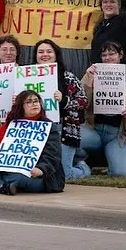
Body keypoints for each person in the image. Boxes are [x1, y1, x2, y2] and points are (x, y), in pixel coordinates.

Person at [0, 90, 65, 195]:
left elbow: (53, 154)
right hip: (8, 169)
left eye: (36, 101)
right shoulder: (11, 125)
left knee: (16, 177)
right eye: (29, 102)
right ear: (20, 106)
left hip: (36, 174)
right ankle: (2, 187)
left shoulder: (48, 126)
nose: (34, 104)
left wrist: (42, 168)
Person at [80, 41, 126, 177]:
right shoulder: (90, 75)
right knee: (69, 139)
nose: (107, 58)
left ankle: (111, 165)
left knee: (121, 173)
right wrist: (88, 82)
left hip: (118, 134)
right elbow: (80, 103)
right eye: (104, 55)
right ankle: (80, 164)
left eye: (112, 54)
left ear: (120, 55)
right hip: (93, 129)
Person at [33, 38, 89, 179]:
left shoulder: (68, 77)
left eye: (49, 51)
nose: (45, 55)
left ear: (56, 55)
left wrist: (64, 100)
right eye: (41, 52)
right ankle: (76, 156)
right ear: (35, 56)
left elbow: (83, 101)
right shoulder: (27, 77)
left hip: (63, 129)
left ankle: (83, 167)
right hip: (37, 129)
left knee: (65, 175)